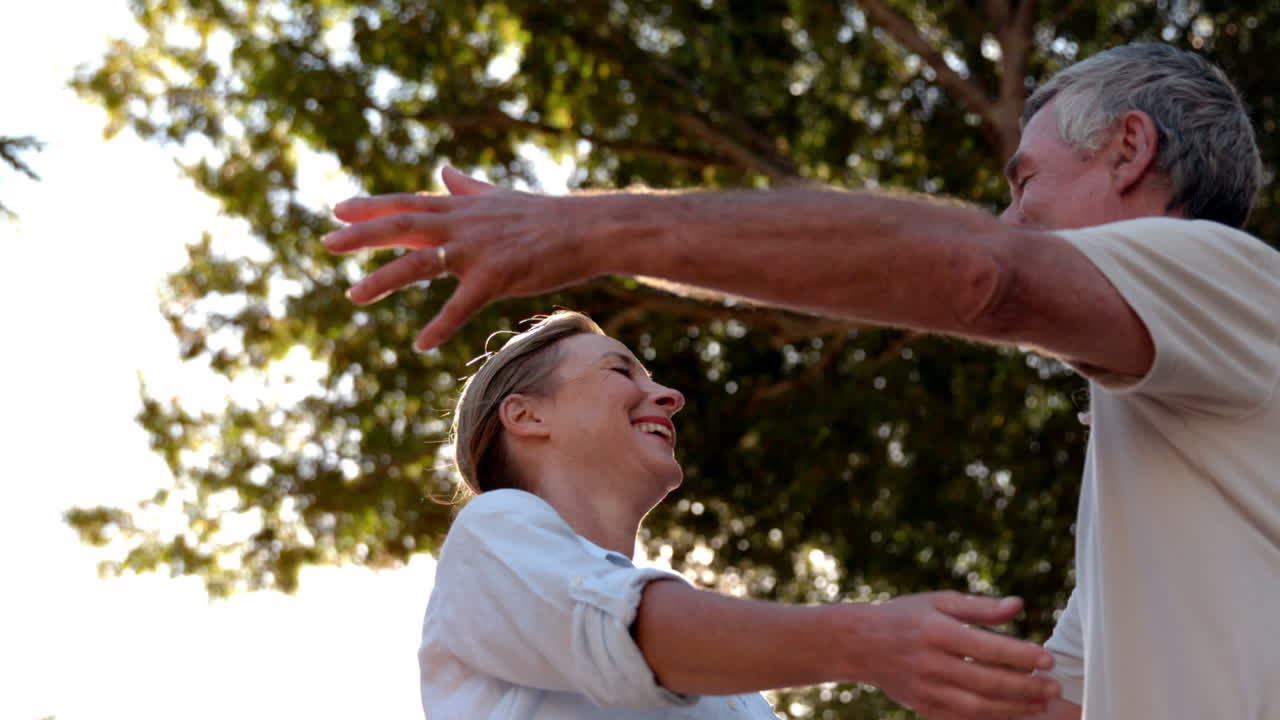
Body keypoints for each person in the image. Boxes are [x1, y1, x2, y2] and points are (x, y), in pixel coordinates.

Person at [325, 43, 1280, 719]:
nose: (1013, 214)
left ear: (1129, 148)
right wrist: (885, 650)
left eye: (1026, 180)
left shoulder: (1225, 277)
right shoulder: (1150, 450)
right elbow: (1059, 703)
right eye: (622, 367)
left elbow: (987, 275)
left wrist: (584, 230)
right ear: (521, 415)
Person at [418, 310, 1059, 719]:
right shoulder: (491, 535)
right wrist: (867, 641)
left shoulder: (729, 689)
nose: (669, 396)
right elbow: (619, 627)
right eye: (621, 371)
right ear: (528, 416)